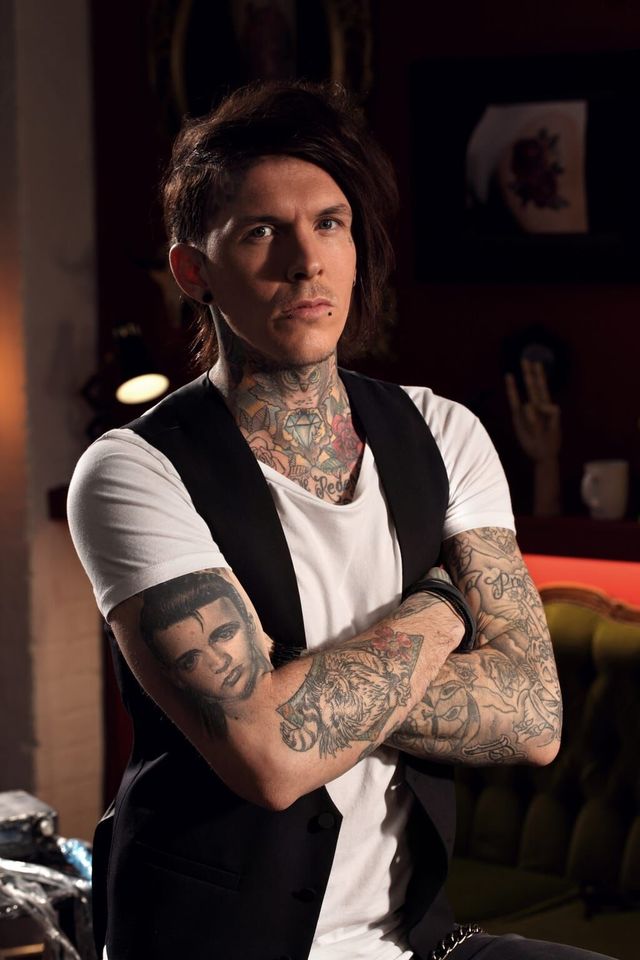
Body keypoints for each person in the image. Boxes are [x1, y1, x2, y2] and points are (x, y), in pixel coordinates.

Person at [68, 81, 614, 960]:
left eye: (329, 224)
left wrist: (295, 689)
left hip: (416, 940)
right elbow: (271, 759)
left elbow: (533, 715)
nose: (306, 262)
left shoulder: (443, 433)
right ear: (193, 271)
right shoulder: (134, 470)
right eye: (262, 231)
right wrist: (445, 606)